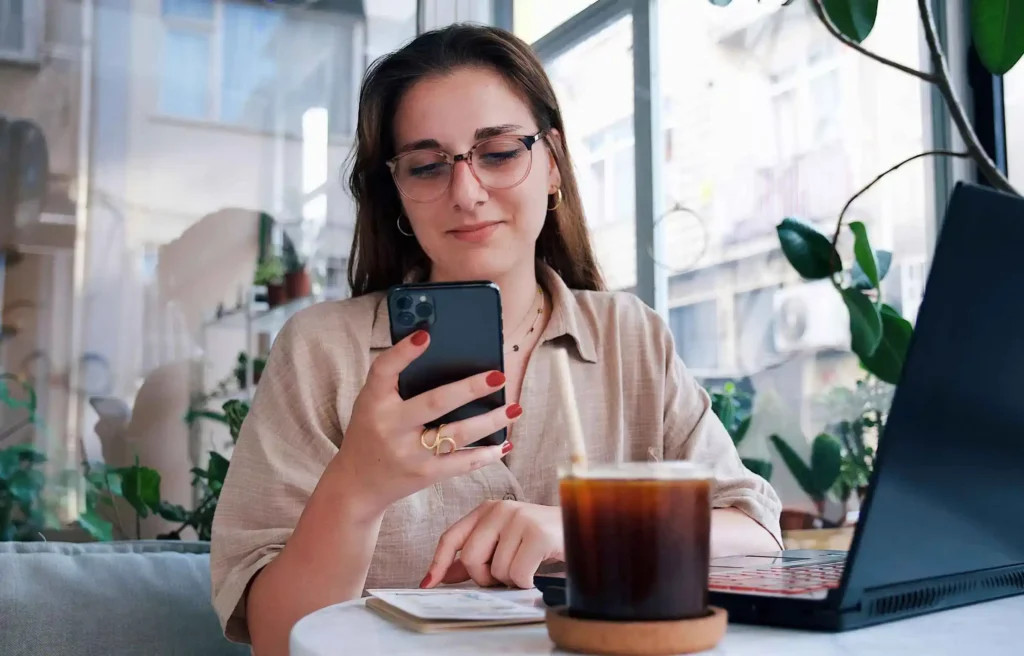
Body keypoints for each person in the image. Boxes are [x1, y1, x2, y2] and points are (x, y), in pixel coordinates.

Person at [210, 23, 783, 654]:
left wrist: (577, 529)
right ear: (397, 193)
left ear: (553, 163)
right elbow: (276, 640)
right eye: (427, 166)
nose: (466, 193)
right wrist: (356, 489)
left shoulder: (630, 336)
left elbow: (755, 533)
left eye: (501, 152)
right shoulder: (320, 351)